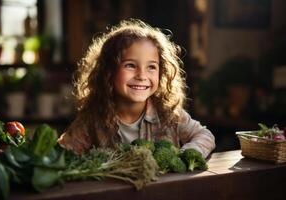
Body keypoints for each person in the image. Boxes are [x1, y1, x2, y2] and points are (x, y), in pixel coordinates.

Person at [58, 19, 215, 158]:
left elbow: (204, 135)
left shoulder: (168, 114)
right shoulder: (92, 119)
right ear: (108, 71)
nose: (141, 75)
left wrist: (186, 154)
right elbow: (62, 153)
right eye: (130, 65)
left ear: (162, 73)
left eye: (151, 67)